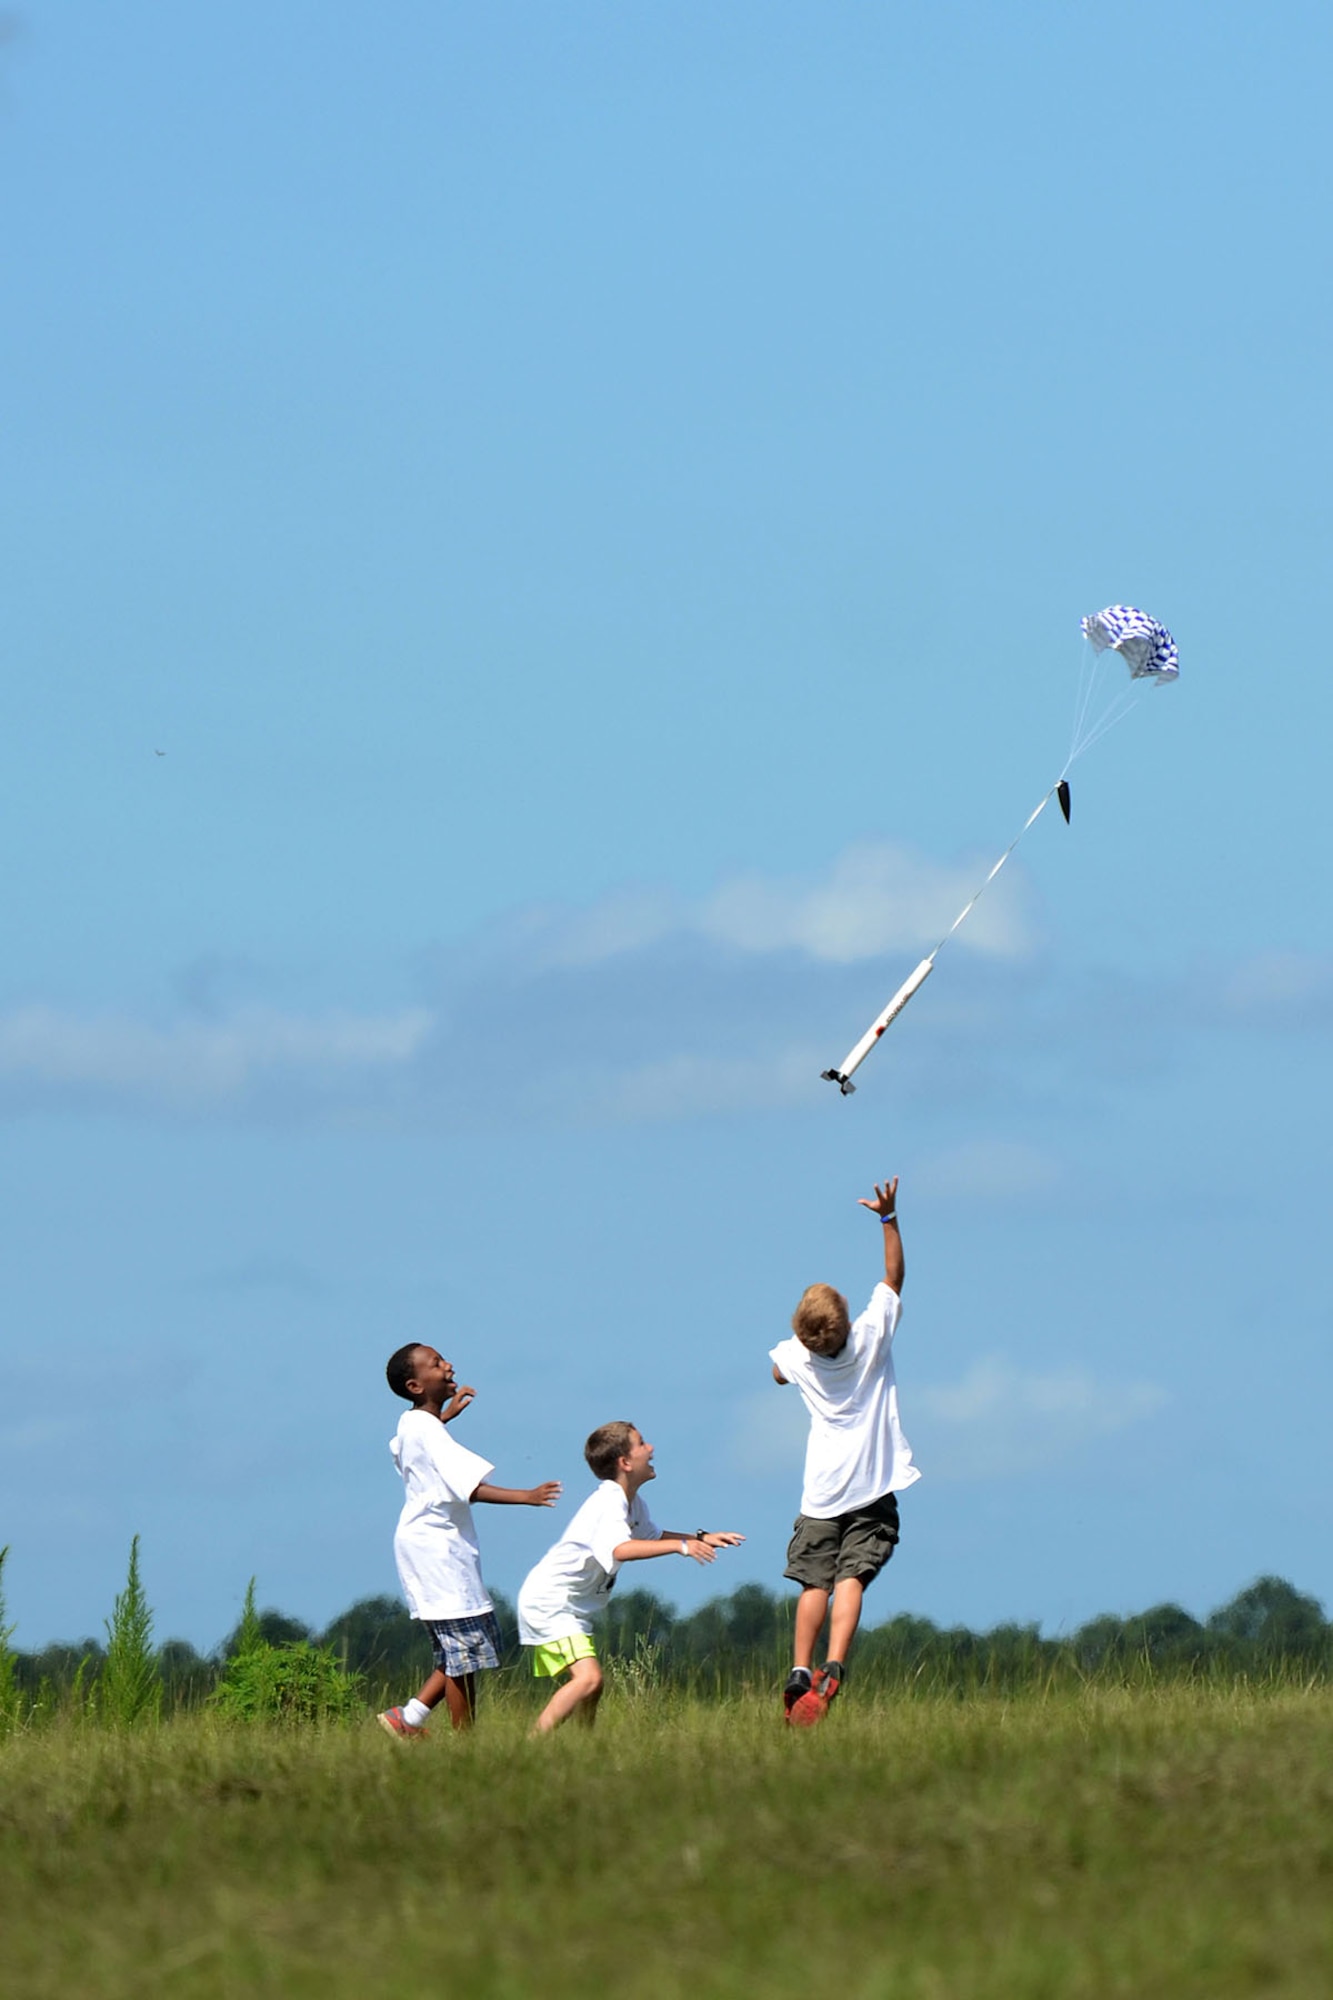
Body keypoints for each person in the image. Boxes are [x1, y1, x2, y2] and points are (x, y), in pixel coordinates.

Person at [769, 1175, 919, 1725]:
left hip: (821, 1492)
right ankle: (834, 1665)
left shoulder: (798, 1357)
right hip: (872, 1488)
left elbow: (777, 1371)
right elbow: (895, 1278)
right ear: (846, 1316)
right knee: (851, 1578)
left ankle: (800, 1668)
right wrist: (888, 1218)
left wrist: (798, 1355)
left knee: (815, 1582)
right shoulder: (871, 1335)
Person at [378, 1343, 561, 1738]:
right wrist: (526, 1496)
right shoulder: (428, 1430)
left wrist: (445, 1417)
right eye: (436, 1364)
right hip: (437, 1550)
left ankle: (407, 1719)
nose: (448, 1366)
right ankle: (466, 1750)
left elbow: (422, 1449)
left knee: (459, 1649)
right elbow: (468, 1486)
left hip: (425, 1546)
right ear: (415, 1384)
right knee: (464, 1656)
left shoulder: (413, 1424)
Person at [517, 1421, 744, 1732]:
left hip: (568, 1606)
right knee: (590, 1679)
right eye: (642, 1444)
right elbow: (620, 1549)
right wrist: (682, 1547)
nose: (650, 1449)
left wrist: (700, 1537)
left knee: (592, 1687)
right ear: (625, 1462)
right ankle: (531, 1745)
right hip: (551, 1604)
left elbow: (650, 1536)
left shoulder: (631, 1503)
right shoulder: (610, 1500)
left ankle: (584, 1750)